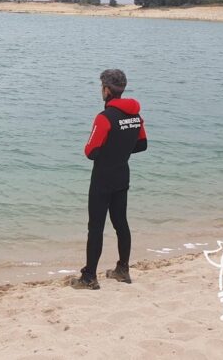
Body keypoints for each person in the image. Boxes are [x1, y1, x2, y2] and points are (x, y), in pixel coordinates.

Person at [72, 69, 147, 290]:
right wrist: (120, 151)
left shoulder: (104, 118)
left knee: (95, 227)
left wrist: (109, 151)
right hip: (122, 175)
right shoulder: (135, 116)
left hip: (103, 178)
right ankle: (123, 270)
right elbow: (142, 145)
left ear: (106, 90)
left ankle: (89, 277)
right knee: (120, 223)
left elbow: (90, 151)